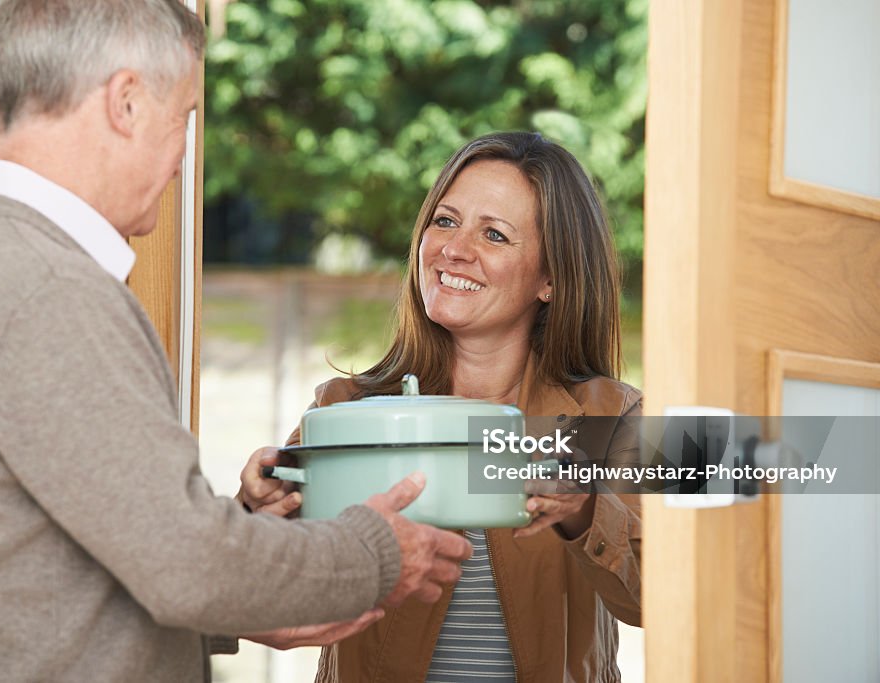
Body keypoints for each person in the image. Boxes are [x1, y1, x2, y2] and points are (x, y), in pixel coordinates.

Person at [0, 2, 472, 681]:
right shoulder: (49, 290)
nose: (185, 156)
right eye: (184, 117)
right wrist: (374, 551)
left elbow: (32, 573)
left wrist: (239, 571)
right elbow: (185, 563)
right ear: (125, 102)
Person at [240, 131, 643, 682]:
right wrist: (253, 515)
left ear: (550, 278)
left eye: (495, 234)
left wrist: (583, 509)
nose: (454, 249)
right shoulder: (343, 410)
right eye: (445, 221)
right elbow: (266, 601)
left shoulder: (610, 418)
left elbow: (672, 598)